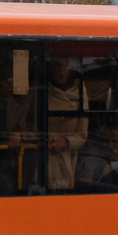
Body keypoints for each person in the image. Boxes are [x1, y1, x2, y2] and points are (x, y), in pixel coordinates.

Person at [43, 56, 89, 192]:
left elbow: (82, 135)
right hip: (42, 159)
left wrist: (65, 142)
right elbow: (30, 125)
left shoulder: (81, 92)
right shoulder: (42, 91)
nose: (60, 70)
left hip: (69, 160)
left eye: (64, 65)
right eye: (56, 65)